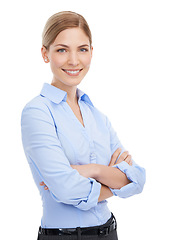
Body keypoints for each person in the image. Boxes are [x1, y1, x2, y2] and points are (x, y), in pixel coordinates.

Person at [21, 11, 146, 240]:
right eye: (62, 49)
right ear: (45, 53)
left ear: (91, 52)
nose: (73, 61)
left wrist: (93, 170)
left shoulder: (97, 116)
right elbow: (66, 189)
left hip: (109, 232)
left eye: (82, 49)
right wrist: (114, 178)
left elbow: (137, 179)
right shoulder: (37, 112)